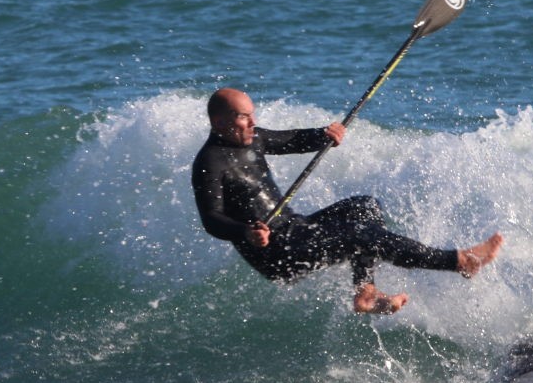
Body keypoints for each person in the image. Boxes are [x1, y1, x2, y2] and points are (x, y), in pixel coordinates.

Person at [191, 88, 504, 314]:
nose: (252, 123)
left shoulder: (253, 137)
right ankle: (459, 261)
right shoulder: (210, 162)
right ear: (219, 122)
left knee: (363, 207)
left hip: (295, 228)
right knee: (360, 236)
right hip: (276, 254)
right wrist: (245, 232)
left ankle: (365, 291)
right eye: (243, 118)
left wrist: (323, 135)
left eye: (252, 115)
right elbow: (211, 219)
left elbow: (289, 139)